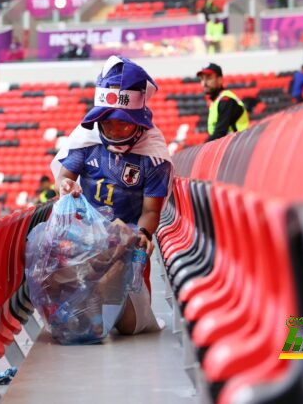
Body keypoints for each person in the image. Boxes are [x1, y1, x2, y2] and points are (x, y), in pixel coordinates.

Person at [53, 55, 174, 336]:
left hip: (126, 239)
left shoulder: (154, 159)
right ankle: (85, 313)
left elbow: (152, 210)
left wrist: (142, 233)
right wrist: (64, 187)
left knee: (120, 254)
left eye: (123, 124)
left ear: (139, 124)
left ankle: (98, 317)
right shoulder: (86, 142)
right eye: (108, 123)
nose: (115, 130)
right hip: (85, 235)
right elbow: (65, 177)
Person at [197, 63, 249, 141]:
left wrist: (202, 148)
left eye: (208, 78)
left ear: (220, 80)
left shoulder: (226, 100)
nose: (204, 83)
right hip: (233, 146)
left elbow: (220, 133)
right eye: (202, 79)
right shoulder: (217, 101)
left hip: (237, 146)